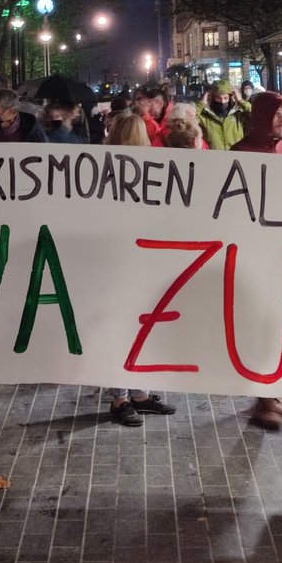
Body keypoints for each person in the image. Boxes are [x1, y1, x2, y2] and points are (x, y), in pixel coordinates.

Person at [103, 112, 176, 425]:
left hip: (139, 263)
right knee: (122, 330)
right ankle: (120, 399)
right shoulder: (109, 172)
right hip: (121, 266)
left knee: (141, 329)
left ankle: (140, 394)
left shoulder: (151, 170)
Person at [229, 90, 282, 431]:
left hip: (280, 250)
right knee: (256, 322)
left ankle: (272, 387)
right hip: (253, 251)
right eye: (277, 114)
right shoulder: (240, 152)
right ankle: (262, 394)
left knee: (277, 322)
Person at [194, 80, 250, 150]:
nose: (222, 101)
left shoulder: (238, 114)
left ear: (230, 97)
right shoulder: (204, 116)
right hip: (213, 159)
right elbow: (189, 120)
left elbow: (255, 115)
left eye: (225, 98)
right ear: (212, 98)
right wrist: (201, 104)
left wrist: (240, 100)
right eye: (218, 98)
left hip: (236, 158)